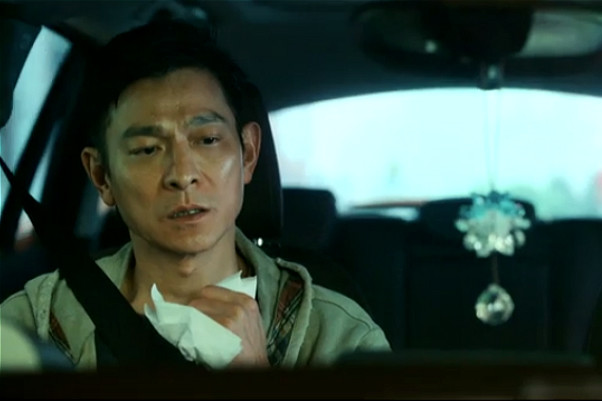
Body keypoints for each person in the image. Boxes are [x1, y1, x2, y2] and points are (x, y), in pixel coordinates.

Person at [0, 20, 390, 369]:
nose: (182, 175)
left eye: (207, 140)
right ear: (102, 176)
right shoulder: (33, 327)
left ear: (248, 154)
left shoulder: (338, 337)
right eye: (147, 149)